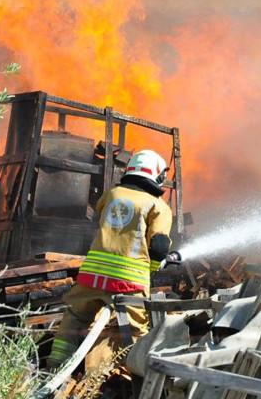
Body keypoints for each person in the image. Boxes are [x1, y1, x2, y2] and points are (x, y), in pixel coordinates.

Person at [47, 149, 173, 370]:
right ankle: (133, 372)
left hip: (91, 276)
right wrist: (155, 265)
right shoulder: (158, 207)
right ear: (156, 175)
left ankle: (55, 364)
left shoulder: (111, 195)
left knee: (75, 316)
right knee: (134, 330)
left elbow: (101, 222)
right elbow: (160, 247)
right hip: (128, 281)